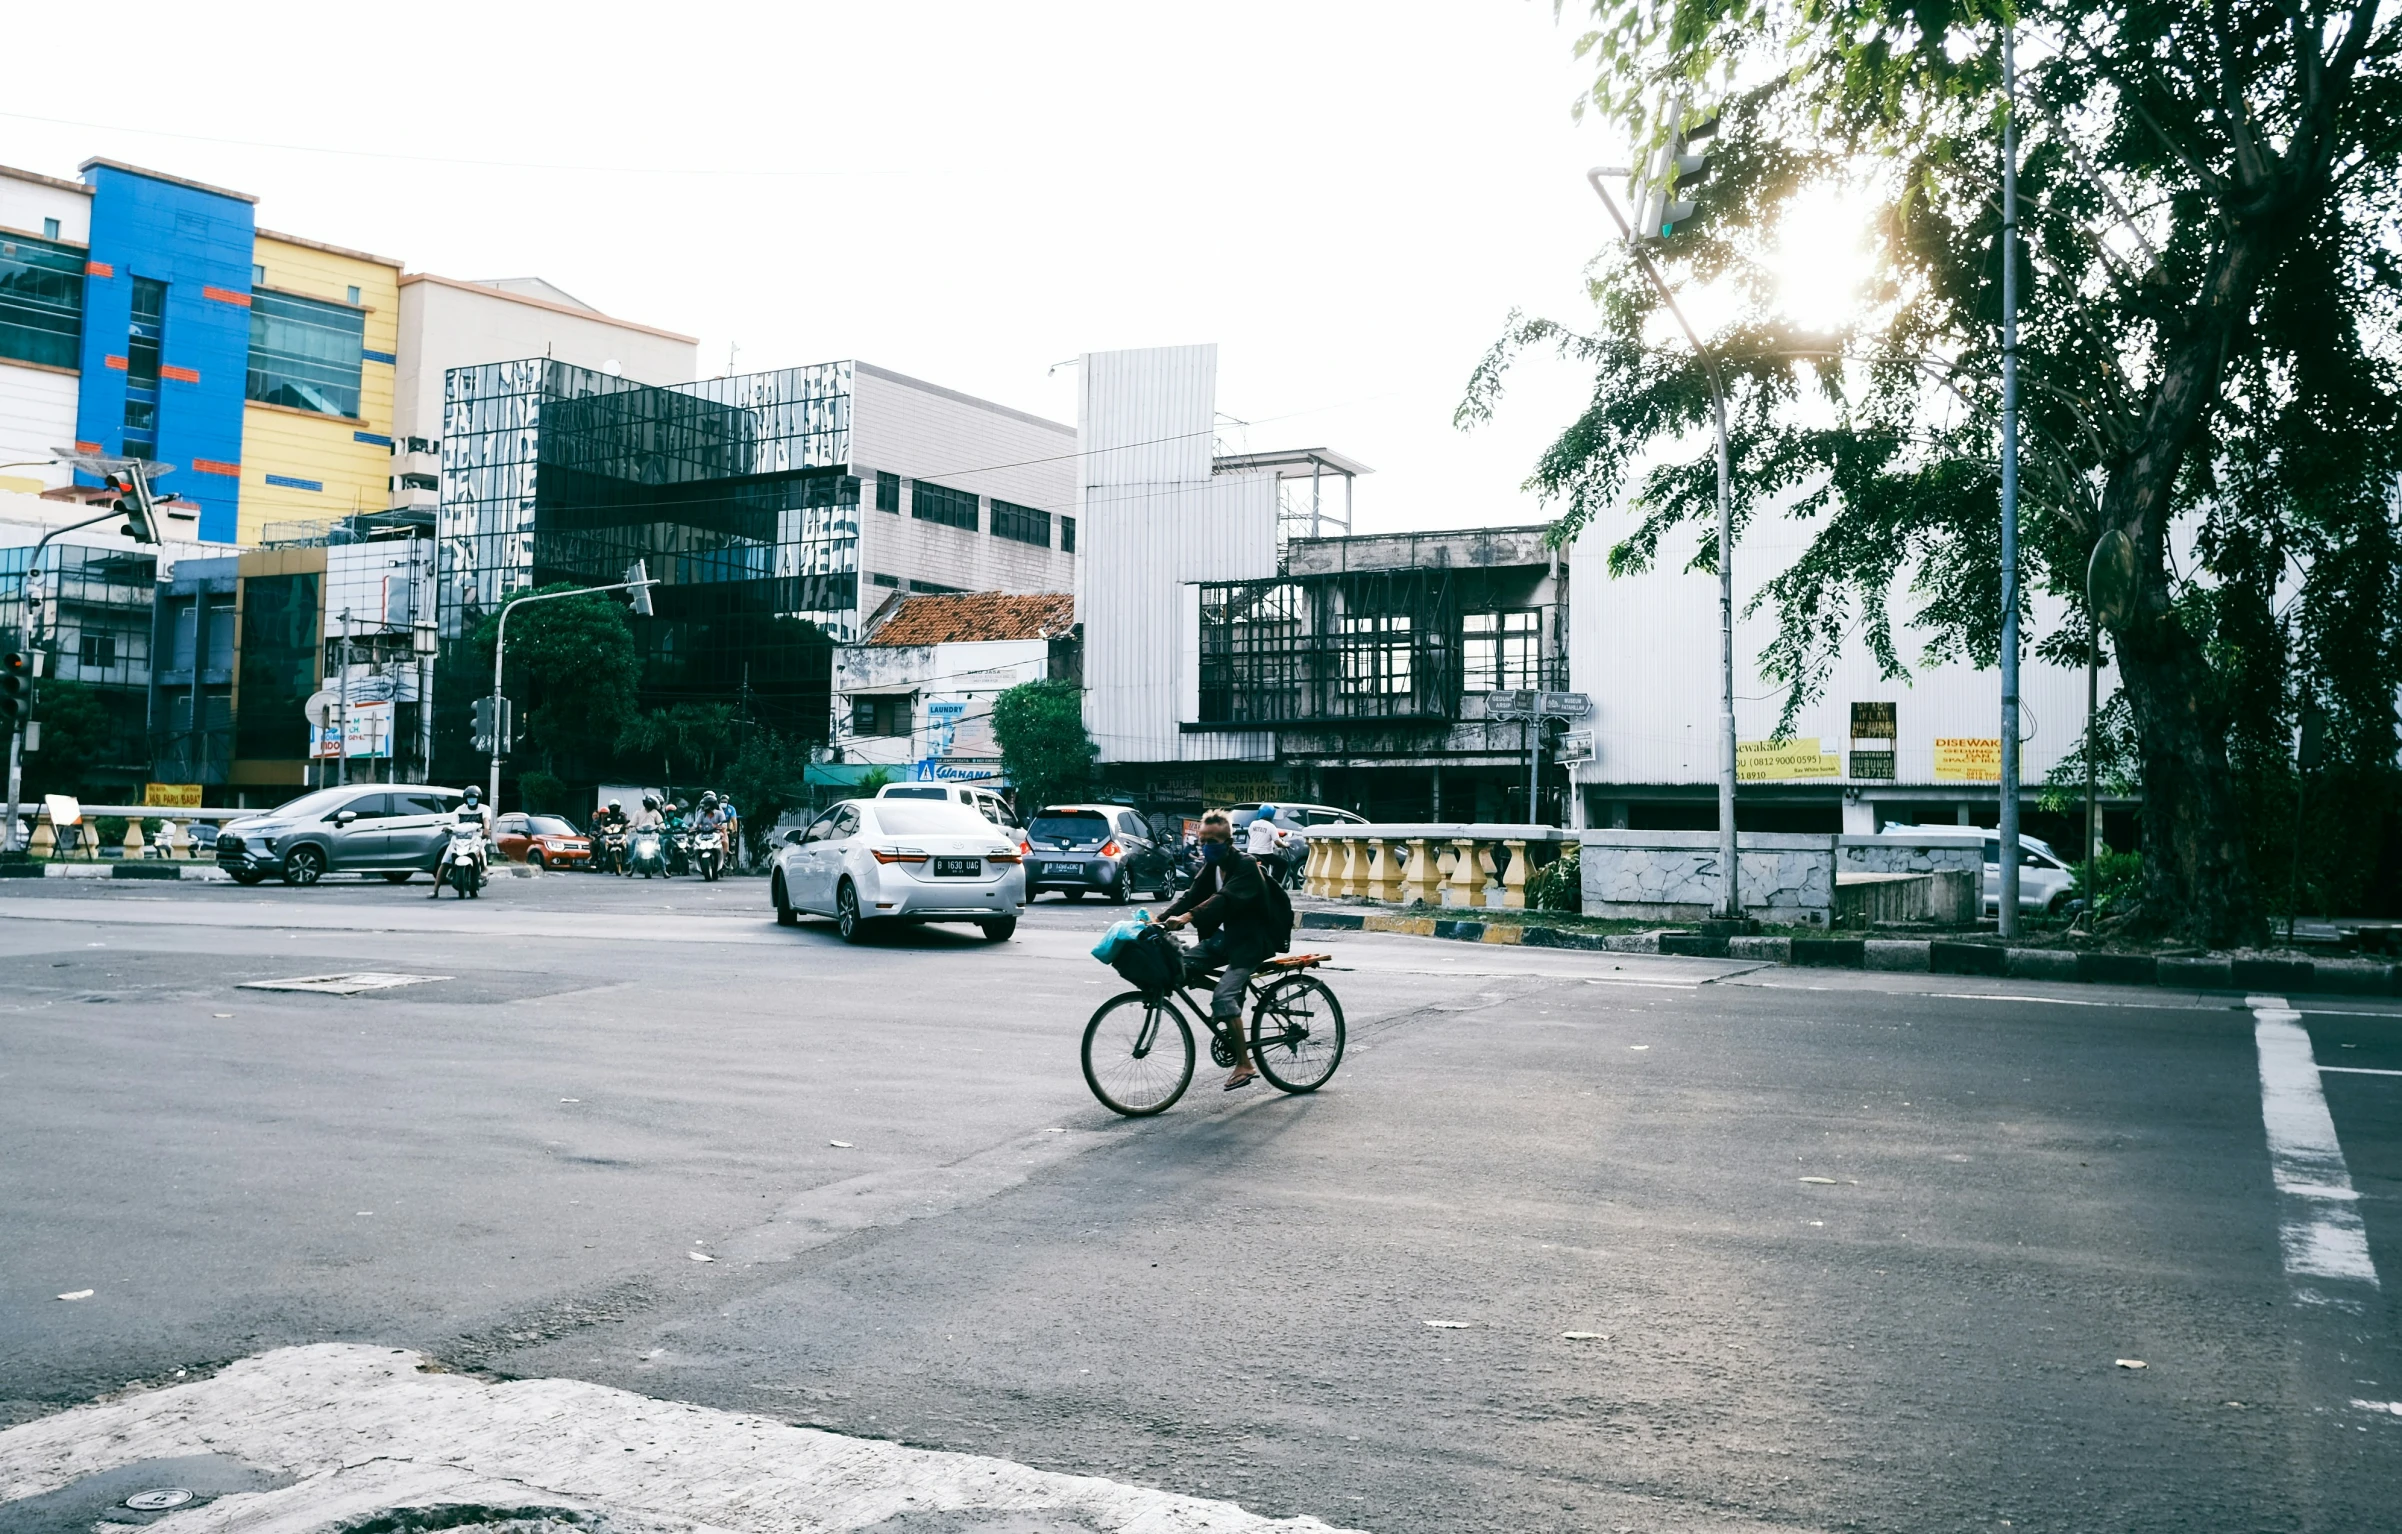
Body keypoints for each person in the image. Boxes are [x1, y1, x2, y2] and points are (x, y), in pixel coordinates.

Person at [1158, 810, 1274, 1091]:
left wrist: (1187, 919)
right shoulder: (1212, 867)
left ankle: (1244, 1063)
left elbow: (1222, 900)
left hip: (1249, 943)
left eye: (1213, 841)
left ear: (1229, 841)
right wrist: (1159, 920)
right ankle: (1229, 1004)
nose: (1207, 846)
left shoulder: (1245, 865)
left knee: (1222, 997)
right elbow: (1191, 896)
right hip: (1223, 939)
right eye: (1203, 841)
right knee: (1179, 966)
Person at [1245, 805, 1284, 884]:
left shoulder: (1253, 824)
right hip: (1265, 855)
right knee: (1283, 864)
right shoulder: (1271, 826)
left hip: (1251, 852)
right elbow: (1277, 842)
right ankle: (1275, 883)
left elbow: (1250, 835)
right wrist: (1286, 845)